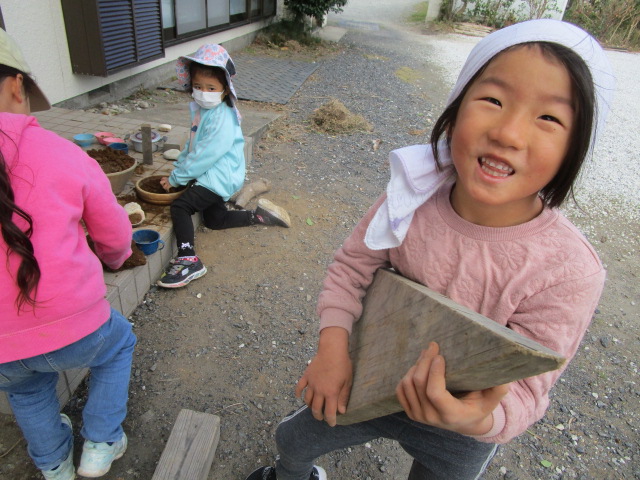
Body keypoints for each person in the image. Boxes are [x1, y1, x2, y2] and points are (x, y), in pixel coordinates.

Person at [245, 19, 615, 480]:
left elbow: (527, 386)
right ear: (456, 109)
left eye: (549, 118)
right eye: (493, 100)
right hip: (368, 374)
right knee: (293, 442)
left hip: (459, 427)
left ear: (575, 148)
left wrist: (477, 419)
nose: (508, 133)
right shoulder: (411, 196)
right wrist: (332, 348)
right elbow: (352, 267)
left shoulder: (569, 269)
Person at [0, 29, 136, 479]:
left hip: (2, 347)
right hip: (79, 322)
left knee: (25, 389)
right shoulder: (63, 153)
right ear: (17, 85)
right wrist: (114, 260)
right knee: (118, 346)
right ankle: (100, 444)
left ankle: (53, 463)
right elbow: (114, 235)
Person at [158, 44, 291, 288]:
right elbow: (194, 143)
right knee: (214, 220)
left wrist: (177, 178)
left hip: (218, 176)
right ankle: (258, 216)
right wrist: (180, 163)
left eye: (211, 88)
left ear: (224, 90)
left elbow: (206, 154)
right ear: (190, 85)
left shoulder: (221, 116)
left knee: (181, 206)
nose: (203, 92)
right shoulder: (202, 109)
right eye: (198, 87)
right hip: (216, 174)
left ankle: (188, 259)